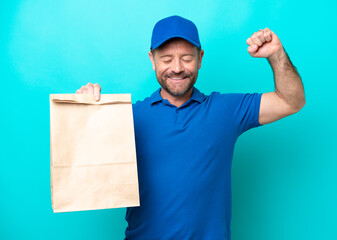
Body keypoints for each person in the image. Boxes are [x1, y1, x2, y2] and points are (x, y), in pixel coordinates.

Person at [76, 15, 305, 240]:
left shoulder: (225, 111)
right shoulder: (129, 117)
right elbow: (85, 167)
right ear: (152, 59)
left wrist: (276, 55)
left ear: (200, 58)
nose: (177, 68)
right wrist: (82, 112)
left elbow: (290, 101)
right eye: (166, 59)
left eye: (186, 58)